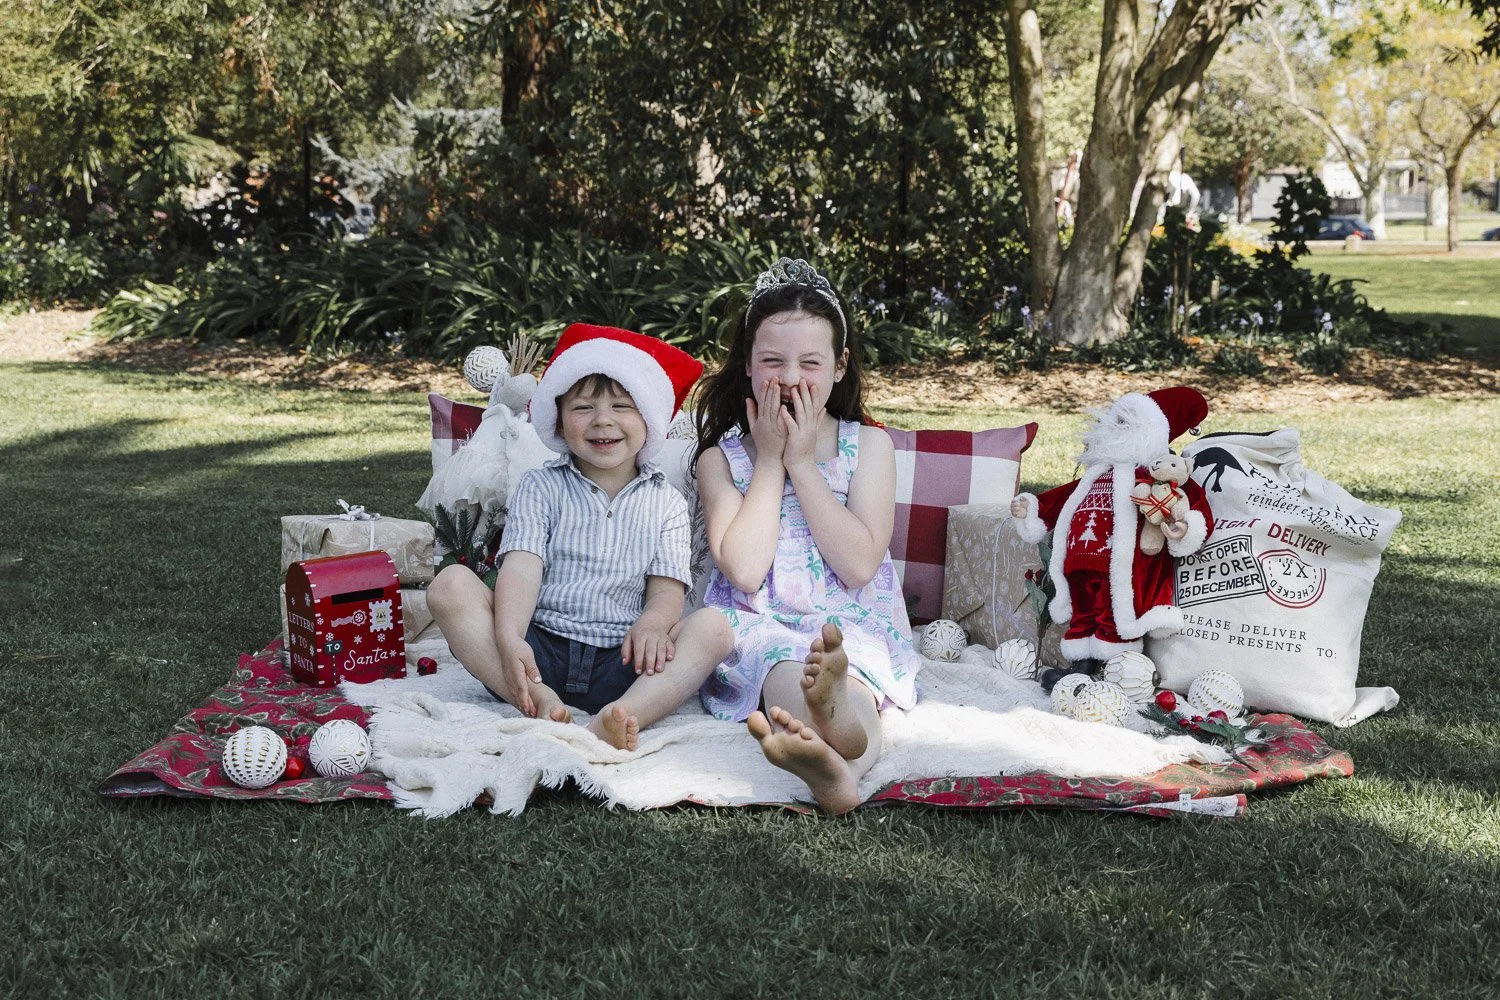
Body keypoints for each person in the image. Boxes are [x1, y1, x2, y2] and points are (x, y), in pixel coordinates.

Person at [427, 324, 733, 751]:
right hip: (539, 653)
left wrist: (652, 625)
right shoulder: (541, 486)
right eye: (584, 407)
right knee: (449, 586)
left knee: (715, 627)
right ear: (558, 417)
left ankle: (623, 715)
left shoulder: (666, 501)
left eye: (622, 406)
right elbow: (522, 566)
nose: (602, 420)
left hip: (624, 661)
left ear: (649, 418)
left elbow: (667, 588)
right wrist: (511, 637)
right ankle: (535, 697)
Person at [694, 258, 922, 814]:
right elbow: (745, 571)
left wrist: (803, 463)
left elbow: (860, 565)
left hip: (850, 623)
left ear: (840, 367)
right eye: (772, 361)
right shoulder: (720, 460)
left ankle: (842, 748)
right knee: (783, 669)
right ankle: (832, 762)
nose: (791, 378)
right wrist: (771, 460)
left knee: (849, 673)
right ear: (747, 365)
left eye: (810, 363)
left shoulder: (869, 447)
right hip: (762, 620)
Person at [1008, 387, 1213, 690]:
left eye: (1126, 424)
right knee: (1082, 614)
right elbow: (1063, 497)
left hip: (1119, 565)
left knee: (1113, 614)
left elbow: (1191, 502)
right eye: (1116, 421)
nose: (1115, 428)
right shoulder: (1096, 473)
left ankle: (1116, 671)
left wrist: (1185, 526)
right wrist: (1032, 508)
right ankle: (1079, 665)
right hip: (1079, 561)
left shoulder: (1150, 476)